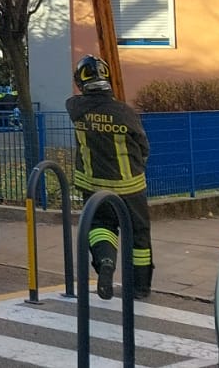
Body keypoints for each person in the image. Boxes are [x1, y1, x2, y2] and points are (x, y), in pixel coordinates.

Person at [66, 54, 152, 300]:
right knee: (138, 234)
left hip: (92, 186)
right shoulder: (124, 113)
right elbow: (143, 147)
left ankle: (105, 264)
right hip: (129, 186)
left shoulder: (75, 108)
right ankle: (140, 286)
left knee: (101, 227)